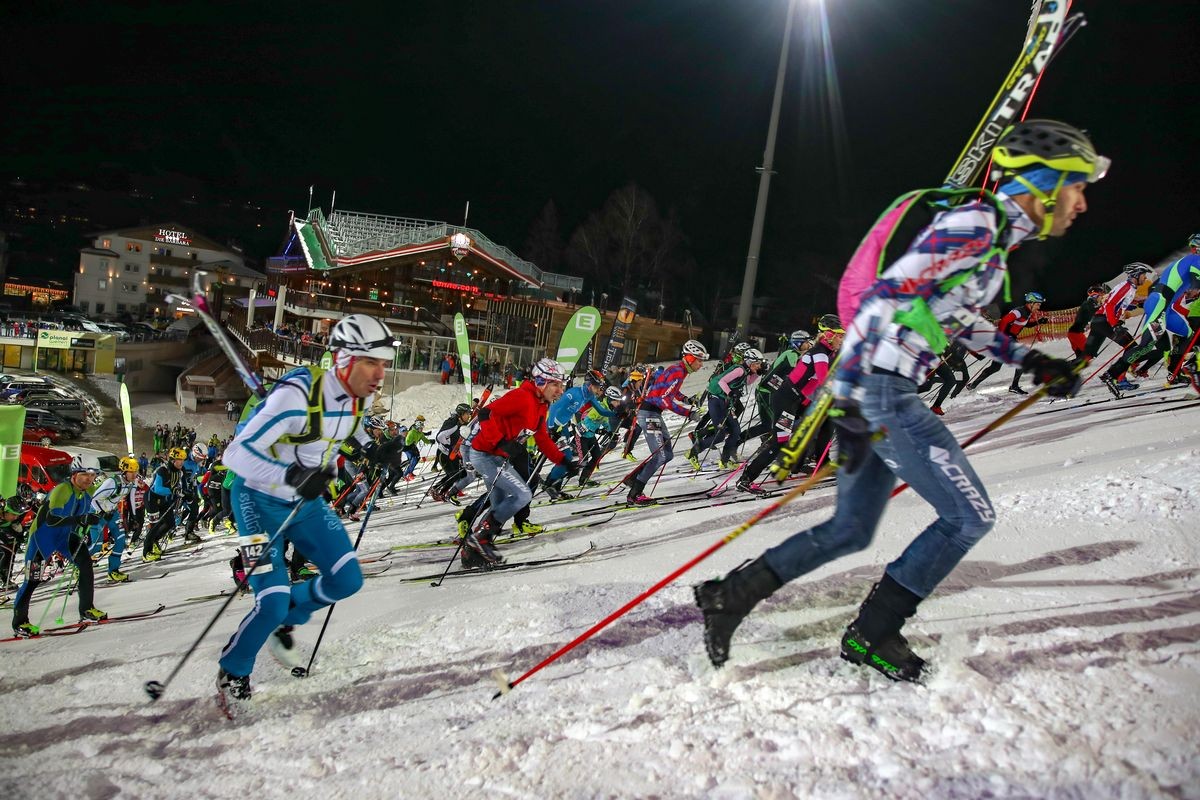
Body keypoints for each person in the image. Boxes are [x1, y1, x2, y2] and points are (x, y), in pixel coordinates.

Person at [694, 119, 1101, 681]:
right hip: (881, 392)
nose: (1081, 204)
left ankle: (730, 595)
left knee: (851, 529)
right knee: (968, 517)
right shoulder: (975, 227)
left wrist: (1031, 361)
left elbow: (956, 319)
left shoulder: (990, 242)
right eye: (1077, 187)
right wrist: (851, 387)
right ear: (1044, 185)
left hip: (877, 391)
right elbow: (886, 296)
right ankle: (875, 632)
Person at [216, 313, 394, 710]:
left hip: (304, 501)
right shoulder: (295, 396)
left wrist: (373, 449)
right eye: (371, 362)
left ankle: (289, 616)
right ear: (344, 359)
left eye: (384, 363)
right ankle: (234, 666)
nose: (380, 373)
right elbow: (235, 454)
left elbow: (346, 427)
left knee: (347, 580)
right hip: (257, 500)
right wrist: (291, 475)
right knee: (271, 601)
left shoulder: (360, 396)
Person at [460, 358, 574, 566]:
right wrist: (500, 442)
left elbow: (542, 438)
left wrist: (564, 461)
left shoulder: (541, 405)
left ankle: (472, 552)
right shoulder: (522, 397)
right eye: (555, 384)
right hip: (484, 454)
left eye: (561, 385)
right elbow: (486, 413)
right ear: (541, 382)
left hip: (497, 456)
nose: (560, 390)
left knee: (498, 505)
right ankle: (479, 539)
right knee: (523, 494)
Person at [10, 461, 107, 637]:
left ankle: (86, 609)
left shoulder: (89, 490)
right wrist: (80, 519)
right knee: (32, 579)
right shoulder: (62, 490)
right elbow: (51, 520)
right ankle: (19, 622)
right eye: (85, 474)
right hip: (43, 538)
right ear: (74, 474)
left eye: (93, 475)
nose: (89, 479)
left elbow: (102, 502)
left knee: (85, 564)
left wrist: (103, 513)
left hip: (66, 536)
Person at [623, 340, 708, 505]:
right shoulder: (678, 371)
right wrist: (688, 413)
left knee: (667, 454)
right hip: (649, 414)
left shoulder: (679, 370)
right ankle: (634, 494)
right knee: (660, 455)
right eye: (699, 360)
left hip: (654, 414)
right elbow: (665, 400)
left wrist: (686, 399)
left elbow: (670, 390)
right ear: (690, 358)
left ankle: (634, 478)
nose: (701, 364)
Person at [687, 347, 766, 470]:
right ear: (750, 362)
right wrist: (730, 393)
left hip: (724, 401)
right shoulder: (739, 370)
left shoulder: (746, 371)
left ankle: (724, 460)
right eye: (757, 364)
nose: (759, 366)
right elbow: (722, 382)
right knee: (720, 434)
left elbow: (748, 382)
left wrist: (758, 373)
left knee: (735, 431)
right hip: (716, 400)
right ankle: (693, 453)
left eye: (760, 364)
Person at [1086, 263, 1155, 396]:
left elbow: (1124, 301)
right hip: (1104, 321)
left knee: (1131, 347)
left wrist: (1140, 302)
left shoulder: (1130, 287)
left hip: (1103, 321)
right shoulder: (1126, 287)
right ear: (1136, 275)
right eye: (1143, 275)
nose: (1145, 278)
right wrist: (1115, 325)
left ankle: (1117, 377)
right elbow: (1110, 305)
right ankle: (1116, 377)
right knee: (1132, 347)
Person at [966, 291, 1045, 394]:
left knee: (995, 367)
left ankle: (972, 385)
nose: (1039, 307)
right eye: (1038, 304)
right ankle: (1014, 386)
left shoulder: (1027, 312)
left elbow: (1022, 324)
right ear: (1031, 303)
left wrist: (1038, 322)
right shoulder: (1019, 311)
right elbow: (1004, 321)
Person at [87, 456, 142, 582]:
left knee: (121, 540)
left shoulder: (132, 483)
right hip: (96, 513)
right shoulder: (112, 482)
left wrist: (134, 517)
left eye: (135, 472)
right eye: (131, 472)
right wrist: (102, 511)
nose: (134, 475)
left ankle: (113, 571)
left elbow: (131, 499)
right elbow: (94, 498)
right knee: (97, 545)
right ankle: (77, 564)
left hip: (112, 513)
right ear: (124, 472)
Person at [142, 447, 186, 562]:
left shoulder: (179, 472)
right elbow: (158, 489)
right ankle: (146, 553)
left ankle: (154, 541)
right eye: (179, 460)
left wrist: (183, 492)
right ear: (173, 460)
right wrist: (173, 491)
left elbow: (177, 486)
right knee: (154, 525)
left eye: (183, 460)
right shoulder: (163, 470)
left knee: (170, 523)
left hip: (163, 499)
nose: (182, 462)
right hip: (152, 498)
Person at [1066, 283, 1109, 358]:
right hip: (1076, 333)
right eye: (1101, 295)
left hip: (1074, 333)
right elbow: (1095, 311)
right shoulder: (1090, 302)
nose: (1102, 297)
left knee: (1081, 357)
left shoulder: (1089, 302)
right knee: (1089, 355)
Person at [0, 498, 29, 591]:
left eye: (17, 515)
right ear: (6, 511)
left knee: (10, 551)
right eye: (13, 514)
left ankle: (5, 579)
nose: (15, 517)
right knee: (5, 552)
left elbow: (8, 527)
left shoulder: (8, 516)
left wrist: (18, 535)